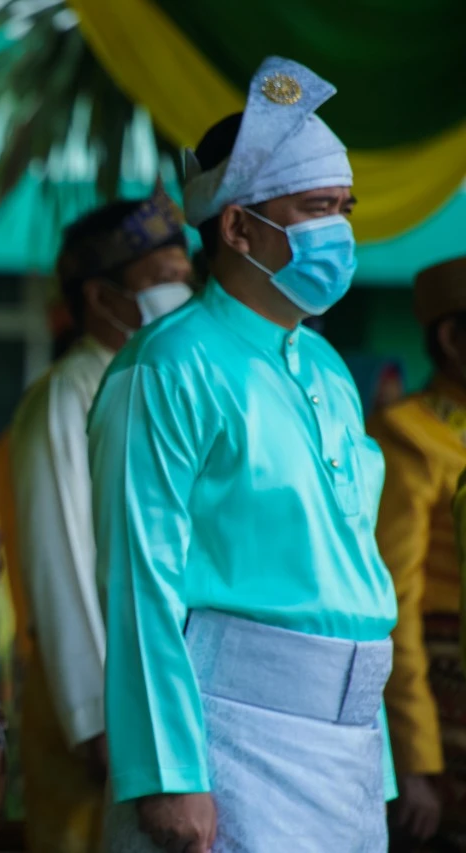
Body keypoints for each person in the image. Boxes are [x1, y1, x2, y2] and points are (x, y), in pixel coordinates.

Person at [89, 57, 397, 851]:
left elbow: (350, 560)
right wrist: (168, 775)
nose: (341, 230)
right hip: (230, 740)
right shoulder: (166, 365)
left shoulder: (327, 366)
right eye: (316, 208)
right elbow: (138, 577)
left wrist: (381, 760)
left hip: (350, 750)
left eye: (345, 208)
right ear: (238, 227)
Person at [8, 188, 192, 853]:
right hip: (96, 714)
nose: (182, 294)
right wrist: (95, 720)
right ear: (100, 297)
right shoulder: (69, 393)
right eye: (163, 281)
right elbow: (57, 558)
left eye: (185, 279)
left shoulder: (164, 380)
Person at [371, 257, 466, 850]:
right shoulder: (411, 435)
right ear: (454, 339)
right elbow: (392, 605)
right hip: (446, 715)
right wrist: (416, 760)